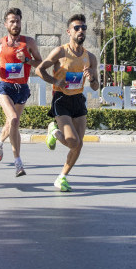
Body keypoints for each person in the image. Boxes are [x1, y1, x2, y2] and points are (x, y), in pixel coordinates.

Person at [36, 14, 99, 192]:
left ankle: (62, 177)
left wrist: (92, 78)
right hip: (61, 98)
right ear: (69, 31)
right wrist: (55, 81)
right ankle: (54, 131)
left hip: (78, 99)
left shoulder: (90, 57)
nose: (81, 31)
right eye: (77, 28)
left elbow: (95, 87)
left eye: (84, 28)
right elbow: (39, 69)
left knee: (79, 144)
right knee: (72, 141)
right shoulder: (60, 52)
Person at [0, 8, 43, 177]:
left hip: (22, 88)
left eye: (18, 21)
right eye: (12, 21)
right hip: (5, 86)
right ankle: (18, 163)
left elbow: (39, 62)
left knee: (11, 124)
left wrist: (27, 60)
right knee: (14, 119)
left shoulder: (29, 42)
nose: (15, 24)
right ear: (6, 24)